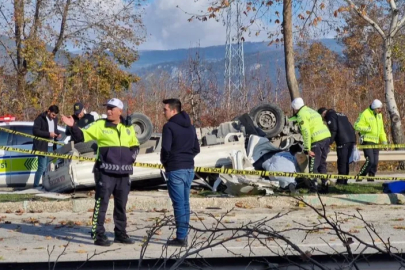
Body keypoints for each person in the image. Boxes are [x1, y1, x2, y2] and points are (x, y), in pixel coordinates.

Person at [61, 98, 140, 246]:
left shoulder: (128, 128)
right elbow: (81, 136)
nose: (108, 111)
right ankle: (98, 235)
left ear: (120, 111)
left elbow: (135, 145)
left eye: (112, 108)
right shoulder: (100, 125)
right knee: (101, 203)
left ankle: (120, 233)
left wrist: (131, 158)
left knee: (121, 205)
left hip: (124, 173)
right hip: (105, 171)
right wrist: (73, 127)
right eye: (107, 108)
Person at [161, 98, 200, 247]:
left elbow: (166, 149)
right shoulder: (190, 127)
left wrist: (166, 162)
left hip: (175, 169)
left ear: (173, 110)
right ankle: (184, 235)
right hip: (189, 169)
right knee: (185, 203)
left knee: (178, 204)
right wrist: (187, 158)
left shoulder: (169, 127)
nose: (163, 112)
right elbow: (197, 149)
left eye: (165, 110)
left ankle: (181, 238)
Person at [291, 98, 331, 193]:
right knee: (322, 164)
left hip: (316, 141)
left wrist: (307, 148)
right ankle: (325, 186)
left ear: (295, 108)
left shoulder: (301, 115)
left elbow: (306, 132)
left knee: (313, 167)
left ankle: (314, 188)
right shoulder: (311, 111)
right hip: (326, 138)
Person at [318, 107, 356, 184]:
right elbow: (351, 127)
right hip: (351, 139)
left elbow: (333, 129)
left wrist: (329, 142)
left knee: (342, 162)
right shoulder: (341, 114)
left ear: (323, 114)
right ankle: (344, 180)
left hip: (342, 140)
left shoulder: (330, 115)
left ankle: (341, 181)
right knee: (345, 162)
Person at [354, 99, 387, 181]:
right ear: (374, 108)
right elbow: (356, 126)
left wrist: (384, 141)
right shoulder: (365, 114)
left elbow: (381, 130)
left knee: (375, 161)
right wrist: (367, 129)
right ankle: (361, 176)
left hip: (376, 141)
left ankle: (371, 177)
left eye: (380, 109)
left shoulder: (379, 115)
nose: (380, 110)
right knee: (370, 160)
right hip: (367, 140)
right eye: (378, 109)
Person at [32, 105, 61, 188]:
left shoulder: (55, 119)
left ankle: (45, 185)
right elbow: (35, 131)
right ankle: (36, 186)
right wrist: (48, 134)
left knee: (48, 168)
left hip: (52, 146)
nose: (54, 117)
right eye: (53, 115)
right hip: (42, 146)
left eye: (55, 115)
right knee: (42, 167)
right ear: (48, 111)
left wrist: (57, 134)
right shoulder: (40, 119)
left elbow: (55, 130)